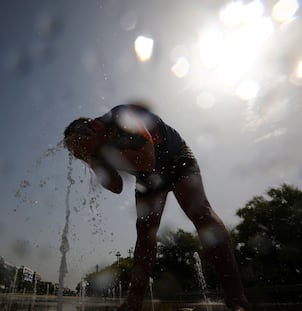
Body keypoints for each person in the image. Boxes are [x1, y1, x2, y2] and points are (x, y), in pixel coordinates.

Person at [64, 102, 251, 311]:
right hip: (148, 176)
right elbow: (115, 186)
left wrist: (101, 149)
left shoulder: (120, 117)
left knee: (201, 213)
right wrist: (92, 159)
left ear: (94, 127)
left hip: (176, 158)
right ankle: (134, 302)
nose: (81, 155)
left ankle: (236, 297)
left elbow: (147, 158)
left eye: (81, 149)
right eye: (77, 154)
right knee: (144, 233)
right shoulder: (96, 150)